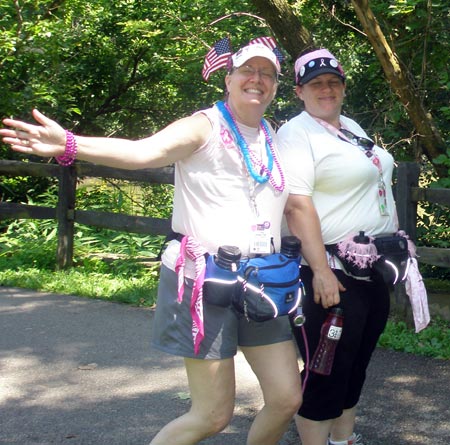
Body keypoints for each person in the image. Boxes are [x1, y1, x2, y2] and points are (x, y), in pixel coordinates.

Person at [0, 40, 302, 445]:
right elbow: (146, 151)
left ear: (276, 86)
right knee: (212, 415)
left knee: (286, 398)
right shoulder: (204, 125)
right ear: (228, 78)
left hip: (262, 281)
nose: (257, 80)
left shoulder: (272, 135)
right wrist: (71, 144)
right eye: (248, 71)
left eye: (267, 74)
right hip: (203, 281)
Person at [278, 48, 400, 445]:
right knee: (326, 367)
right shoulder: (296, 134)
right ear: (299, 91)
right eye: (316, 84)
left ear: (344, 87)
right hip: (330, 269)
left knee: (356, 362)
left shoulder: (350, 126)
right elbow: (297, 205)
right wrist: (321, 271)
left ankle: (343, 439)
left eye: (333, 82)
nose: (326, 90)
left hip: (370, 266)